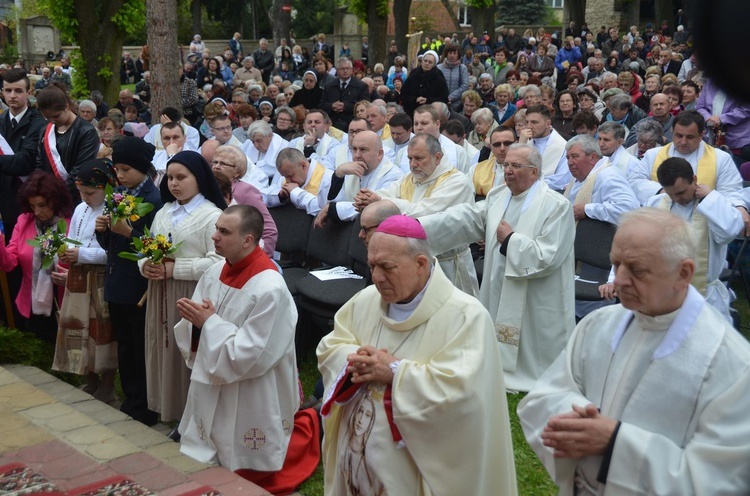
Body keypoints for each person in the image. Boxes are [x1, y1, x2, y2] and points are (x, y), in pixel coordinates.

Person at [518, 208, 750, 496]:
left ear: (684, 273)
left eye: (637, 269)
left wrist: (615, 442)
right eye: (616, 263)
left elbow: (721, 480)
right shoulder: (597, 325)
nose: (620, 280)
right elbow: (542, 398)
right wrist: (574, 422)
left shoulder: (731, 363)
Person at [317, 215, 517, 496]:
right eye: (372, 266)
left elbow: (463, 393)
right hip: (355, 455)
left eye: (387, 267)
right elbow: (330, 346)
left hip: (412, 471)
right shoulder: (365, 301)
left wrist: (395, 371)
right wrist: (354, 357)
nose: (376, 278)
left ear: (421, 264)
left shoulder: (465, 317)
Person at [419, 143, 575, 391]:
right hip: (499, 281)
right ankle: (496, 366)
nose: (508, 171)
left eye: (516, 166)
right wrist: (420, 227)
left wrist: (511, 240)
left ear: (534, 172)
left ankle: (535, 373)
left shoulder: (556, 205)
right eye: (505, 165)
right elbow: (467, 219)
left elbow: (550, 255)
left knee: (533, 341)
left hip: (537, 292)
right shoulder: (498, 196)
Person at [174, 204, 299, 472]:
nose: (214, 237)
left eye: (224, 231)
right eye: (216, 229)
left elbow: (255, 351)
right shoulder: (215, 271)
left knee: (243, 446)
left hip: (254, 385)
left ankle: (249, 463)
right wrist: (196, 324)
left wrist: (208, 324)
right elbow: (197, 318)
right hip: (214, 370)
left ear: (247, 240)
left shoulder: (269, 288)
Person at [140, 151, 226, 426]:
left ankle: (190, 416)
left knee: (185, 352)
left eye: (181, 177)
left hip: (192, 293)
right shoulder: (164, 211)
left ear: (199, 178)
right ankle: (166, 407)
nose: (174, 184)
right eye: (170, 178)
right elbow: (146, 248)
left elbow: (219, 260)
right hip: (160, 292)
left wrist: (175, 269)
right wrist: (145, 266)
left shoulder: (211, 215)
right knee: (161, 348)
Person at [356, 133, 479, 297]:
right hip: (412, 261)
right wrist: (368, 198)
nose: (413, 164)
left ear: (437, 157)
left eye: (419, 158)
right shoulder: (409, 179)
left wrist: (380, 201)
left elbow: (425, 212)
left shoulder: (457, 182)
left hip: (447, 264)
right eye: (410, 158)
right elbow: (385, 194)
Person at [96, 138, 163, 426]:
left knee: (139, 345)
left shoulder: (154, 199)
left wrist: (126, 233)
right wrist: (103, 231)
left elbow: (155, 248)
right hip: (117, 281)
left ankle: (146, 403)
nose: (120, 175)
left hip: (138, 284)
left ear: (142, 169)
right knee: (124, 343)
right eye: (117, 169)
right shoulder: (119, 194)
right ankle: (130, 395)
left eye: (125, 169)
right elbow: (110, 244)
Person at [52, 159, 119, 402]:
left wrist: (81, 254)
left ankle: (108, 383)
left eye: (90, 192)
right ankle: (88, 377)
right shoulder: (81, 209)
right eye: (81, 192)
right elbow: (73, 238)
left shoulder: (114, 211)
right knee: (76, 327)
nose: (85, 197)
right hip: (79, 276)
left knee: (101, 330)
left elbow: (113, 253)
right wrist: (64, 250)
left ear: (107, 187)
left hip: (100, 278)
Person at [645, 158, 743, 322]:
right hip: (665, 291)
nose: (677, 199)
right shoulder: (657, 204)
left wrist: (710, 198)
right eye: (671, 194)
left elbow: (730, 232)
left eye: (681, 192)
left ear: (695, 180)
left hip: (704, 293)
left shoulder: (712, 205)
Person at [0, 171, 72, 342]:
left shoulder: (72, 221)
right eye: (33, 206)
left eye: (42, 205)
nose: (37, 211)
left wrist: (70, 277)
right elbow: (9, 264)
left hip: (65, 301)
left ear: (55, 200)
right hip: (32, 303)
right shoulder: (24, 221)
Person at [629, 111, 743, 206]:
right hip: (661, 221)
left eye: (690, 137)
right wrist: (663, 191)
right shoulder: (653, 155)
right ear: (672, 132)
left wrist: (709, 196)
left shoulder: (721, 158)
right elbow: (634, 181)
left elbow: (732, 193)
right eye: (679, 135)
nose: (683, 142)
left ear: (701, 135)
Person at [315, 130, 403, 226]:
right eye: (354, 149)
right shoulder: (351, 169)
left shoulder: (393, 175)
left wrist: (332, 209)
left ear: (379, 154)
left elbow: (372, 208)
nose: (357, 155)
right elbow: (324, 203)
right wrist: (338, 174)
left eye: (363, 149)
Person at [0, 68, 46, 243]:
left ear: (29, 93)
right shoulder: (1, 121)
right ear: (2, 92)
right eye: (8, 90)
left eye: (18, 91)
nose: (12, 95)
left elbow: (24, 162)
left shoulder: (38, 123)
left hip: (25, 203)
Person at [35, 83, 100, 203]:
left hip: (73, 198)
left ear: (66, 106)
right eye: (47, 118)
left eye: (56, 116)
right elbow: (39, 164)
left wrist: (53, 193)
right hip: (47, 199)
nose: (52, 121)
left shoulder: (86, 132)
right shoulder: (45, 130)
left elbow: (80, 171)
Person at [211, 144, 277, 257]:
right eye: (215, 162)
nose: (216, 166)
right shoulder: (209, 188)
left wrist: (261, 259)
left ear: (237, 172)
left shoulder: (246, 191)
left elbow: (269, 229)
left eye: (223, 164)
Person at [562, 134, 638, 225]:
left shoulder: (608, 175)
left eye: (575, 156)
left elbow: (629, 210)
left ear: (592, 157)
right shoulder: (581, 174)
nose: (569, 162)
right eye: (568, 158)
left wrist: (587, 210)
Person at [268, 147, 332, 216]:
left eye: (291, 175)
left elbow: (325, 209)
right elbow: (265, 198)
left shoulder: (328, 178)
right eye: (285, 177)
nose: (287, 180)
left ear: (303, 165)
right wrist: (280, 196)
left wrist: (296, 193)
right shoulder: (286, 177)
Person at [319, 58, 370, 131]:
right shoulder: (329, 86)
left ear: (352, 70)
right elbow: (321, 105)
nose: (345, 71)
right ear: (337, 70)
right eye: (342, 69)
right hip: (333, 124)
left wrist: (345, 106)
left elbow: (366, 105)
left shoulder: (361, 86)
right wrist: (331, 106)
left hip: (353, 124)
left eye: (347, 68)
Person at [399, 51, 448, 117]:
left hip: (431, 113)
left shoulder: (439, 77)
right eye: (425, 61)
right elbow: (404, 94)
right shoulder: (414, 74)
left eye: (430, 62)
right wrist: (415, 99)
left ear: (434, 64)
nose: (427, 63)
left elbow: (443, 98)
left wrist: (428, 100)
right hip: (412, 112)